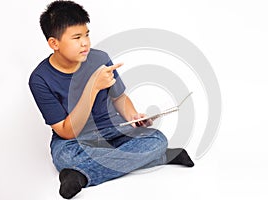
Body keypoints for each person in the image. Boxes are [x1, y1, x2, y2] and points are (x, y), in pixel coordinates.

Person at [29, 0, 194, 199]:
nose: (85, 43)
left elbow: (120, 98)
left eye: (87, 35)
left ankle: (81, 175)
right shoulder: (39, 79)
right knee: (64, 158)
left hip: (114, 131)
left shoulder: (100, 59)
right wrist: (92, 87)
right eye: (76, 37)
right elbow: (67, 132)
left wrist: (134, 117)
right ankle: (157, 158)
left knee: (157, 139)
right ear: (54, 43)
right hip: (75, 142)